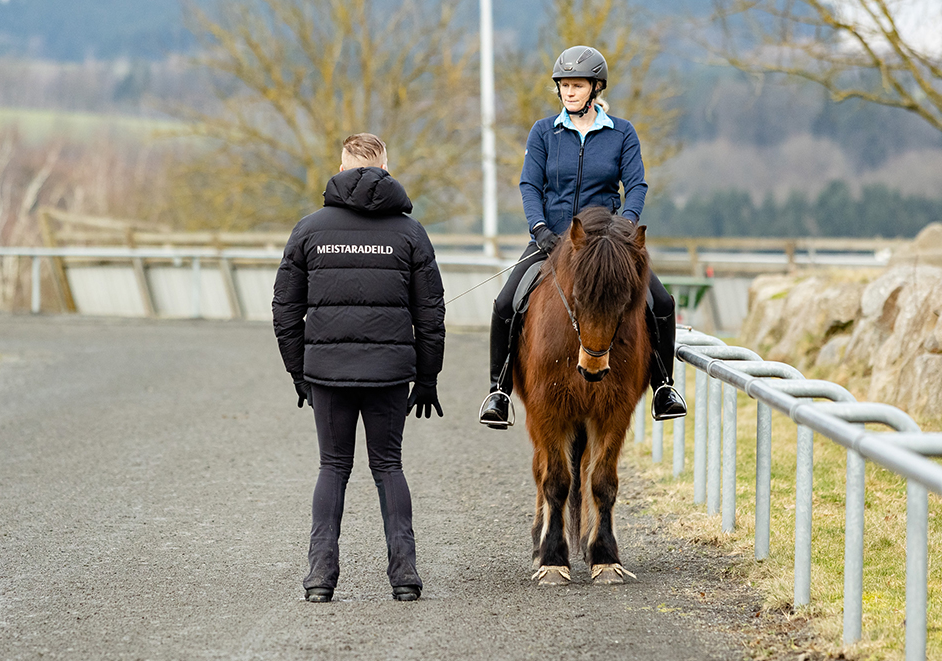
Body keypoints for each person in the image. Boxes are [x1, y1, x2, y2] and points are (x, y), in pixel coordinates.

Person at [272, 133, 446, 603]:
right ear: (385, 168)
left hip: (326, 371)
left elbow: (284, 310)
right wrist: (427, 377)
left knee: (333, 466)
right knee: (389, 465)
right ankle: (405, 577)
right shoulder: (411, 233)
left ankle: (319, 580)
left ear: (342, 167)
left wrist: (299, 371)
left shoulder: (309, 229)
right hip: (390, 373)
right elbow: (431, 313)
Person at [478, 45, 686, 428]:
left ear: (596, 88)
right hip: (552, 239)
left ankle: (663, 385)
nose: (569, 92)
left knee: (662, 302)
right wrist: (539, 228)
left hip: (607, 246)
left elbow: (636, 184)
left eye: (577, 85)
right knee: (506, 303)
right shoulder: (543, 131)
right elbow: (529, 184)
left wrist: (624, 229)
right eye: (564, 85)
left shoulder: (622, 133)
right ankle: (499, 390)